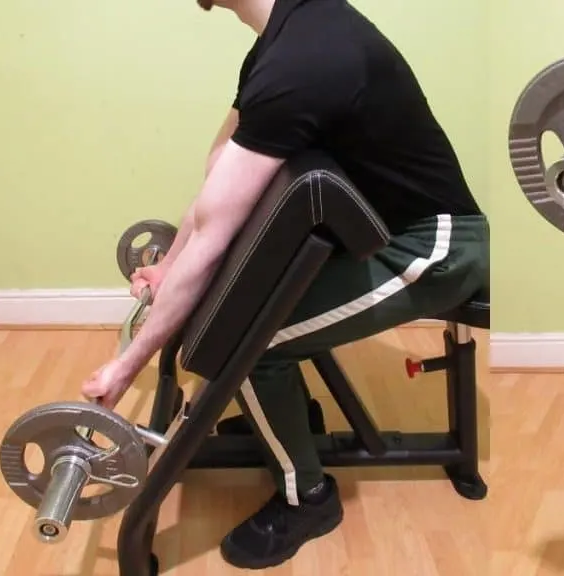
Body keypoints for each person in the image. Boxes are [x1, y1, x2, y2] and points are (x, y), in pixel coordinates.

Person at [80, 0, 489, 570]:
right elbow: (217, 181)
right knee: (242, 318)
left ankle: (309, 499)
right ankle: (292, 416)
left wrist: (126, 368)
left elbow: (215, 231)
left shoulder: (305, 57)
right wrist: (169, 267)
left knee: (246, 347)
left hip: (435, 248)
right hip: (377, 234)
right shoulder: (283, 40)